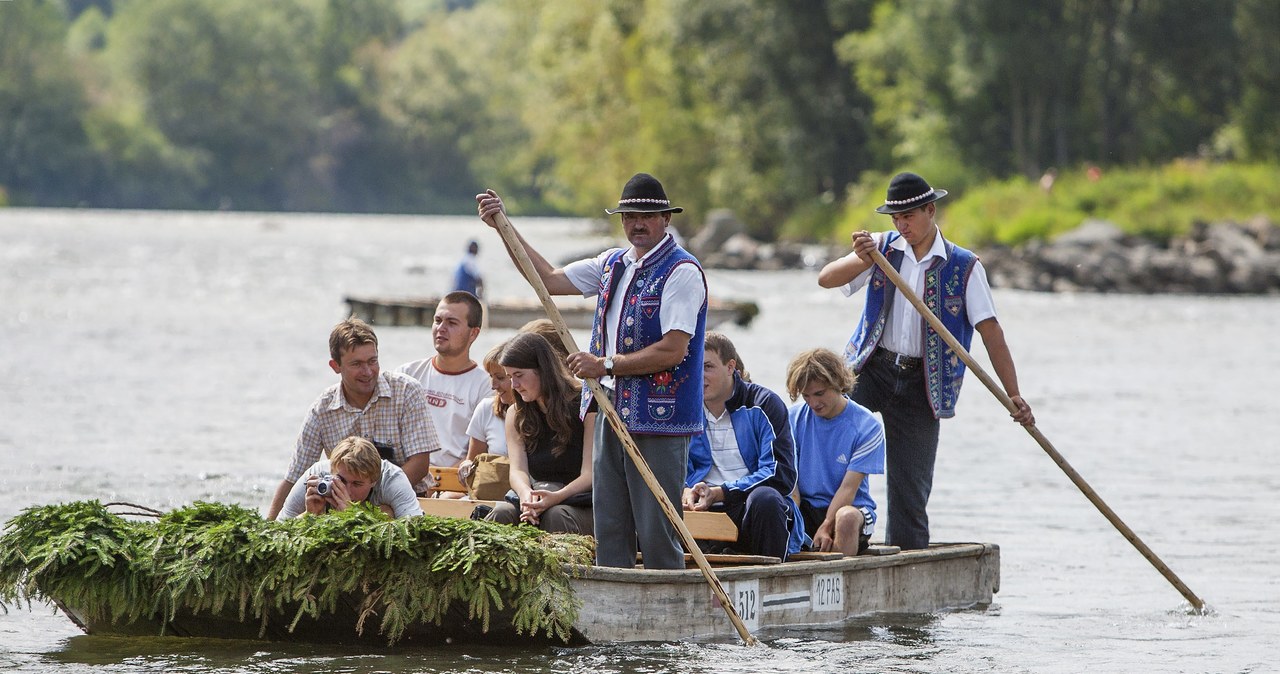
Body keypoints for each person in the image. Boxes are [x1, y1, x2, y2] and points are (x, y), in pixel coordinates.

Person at [477, 173, 708, 570]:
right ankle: (616, 600)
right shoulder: (612, 264)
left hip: (658, 417)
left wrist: (605, 365)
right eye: (630, 216)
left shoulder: (681, 271)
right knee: (610, 521)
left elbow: (673, 350)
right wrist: (504, 228)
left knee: (656, 525)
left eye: (647, 217)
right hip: (606, 404)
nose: (637, 224)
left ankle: (665, 601)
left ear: (666, 220)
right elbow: (547, 280)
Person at [816, 171, 1034, 550]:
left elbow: (991, 332)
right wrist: (863, 258)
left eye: (910, 217)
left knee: (910, 491)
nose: (903, 226)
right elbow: (826, 278)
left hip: (924, 384)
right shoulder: (882, 249)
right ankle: (823, 541)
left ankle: (906, 568)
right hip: (871, 370)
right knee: (835, 456)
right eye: (896, 219)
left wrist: (1013, 394)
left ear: (931, 211)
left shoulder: (964, 267)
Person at [266, 318, 440, 520]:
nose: (367, 372)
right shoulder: (322, 408)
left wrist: (365, 503)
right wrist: (266, 530)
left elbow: (419, 464)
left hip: (400, 499)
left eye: (372, 361)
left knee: (386, 512)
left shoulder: (406, 390)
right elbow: (295, 476)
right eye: (356, 364)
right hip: (338, 501)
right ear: (335, 366)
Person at [683, 333, 804, 560]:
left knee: (766, 499)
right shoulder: (684, 407)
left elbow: (781, 475)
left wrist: (722, 493)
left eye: (707, 367)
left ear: (731, 367)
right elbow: (673, 466)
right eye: (693, 366)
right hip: (699, 511)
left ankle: (770, 580)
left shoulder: (764, 404)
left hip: (748, 508)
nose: (698, 376)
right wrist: (685, 490)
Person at [487, 332, 594, 534]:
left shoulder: (586, 405)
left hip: (580, 502)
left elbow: (590, 474)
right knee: (502, 513)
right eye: (510, 377)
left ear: (543, 370)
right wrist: (526, 495)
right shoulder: (515, 413)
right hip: (538, 494)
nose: (514, 386)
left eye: (519, 376)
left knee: (556, 515)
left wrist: (556, 497)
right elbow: (518, 471)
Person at [785, 348, 886, 556]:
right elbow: (791, 483)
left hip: (848, 508)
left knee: (846, 519)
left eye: (820, 394)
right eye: (806, 395)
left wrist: (827, 525)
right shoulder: (792, 419)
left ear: (839, 384)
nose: (813, 403)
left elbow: (848, 489)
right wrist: (793, 519)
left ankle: (841, 583)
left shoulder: (867, 426)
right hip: (805, 505)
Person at [397, 291, 493, 479]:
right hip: (405, 477)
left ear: (473, 333)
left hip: (455, 484)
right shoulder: (406, 374)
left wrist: (440, 481)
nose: (441, 328)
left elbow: (483, 452)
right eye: (437, 320)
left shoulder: (487, 386)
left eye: (452, 323)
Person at [277, 436, 425, 520]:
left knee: (386, 512)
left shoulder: (392, 480)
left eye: (357, 483)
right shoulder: (317, 475)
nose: (346, 491)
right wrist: (309, 516)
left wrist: (353, 516)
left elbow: (415, 532)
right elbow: (280, 528)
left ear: (374, 480)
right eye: (341, 480)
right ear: (332, 469)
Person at [457, 340, 514, 487]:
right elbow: (472, 460)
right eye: (490, 376)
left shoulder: (541, 412)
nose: (493, 386)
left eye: (500, 378)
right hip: (493, 492)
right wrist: (467, 466)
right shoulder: (486, 408)